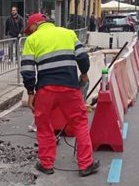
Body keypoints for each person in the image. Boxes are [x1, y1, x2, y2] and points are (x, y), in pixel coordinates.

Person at [20, 13, 99, 177]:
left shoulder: (32, 40)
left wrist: (30, 92)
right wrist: (84, 73)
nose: (30, 33)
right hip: (69, 87)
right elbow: (83, 57)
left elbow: (27, 69)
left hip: (45, 89)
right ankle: (85, 164)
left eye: (30, 29)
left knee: (43, 125)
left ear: (35, 25)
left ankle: (46, 163)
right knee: (80, 123)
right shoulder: (68, 33)